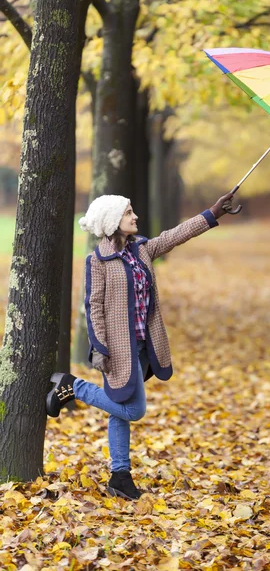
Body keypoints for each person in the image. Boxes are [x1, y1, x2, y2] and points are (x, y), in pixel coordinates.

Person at [46, 192, 236, 500]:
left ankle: (120, 476)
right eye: (128, 213)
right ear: (112, 221)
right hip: (118, 349)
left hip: (144, 345)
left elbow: (175, 235)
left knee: (120, 410)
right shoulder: (98, 261)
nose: (135, 217)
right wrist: (99, 346)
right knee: (133, 410)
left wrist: (212, 213)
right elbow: (93, 305)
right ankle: (73, 386)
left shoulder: (142, 250)